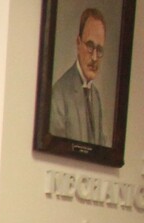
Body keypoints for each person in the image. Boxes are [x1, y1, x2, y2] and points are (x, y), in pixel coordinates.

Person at [51, 7, 111, 146]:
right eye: (90, 46)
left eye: (99, 50)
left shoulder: (96, 97)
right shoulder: (59, 94)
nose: (94, 57)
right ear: (78, 43)